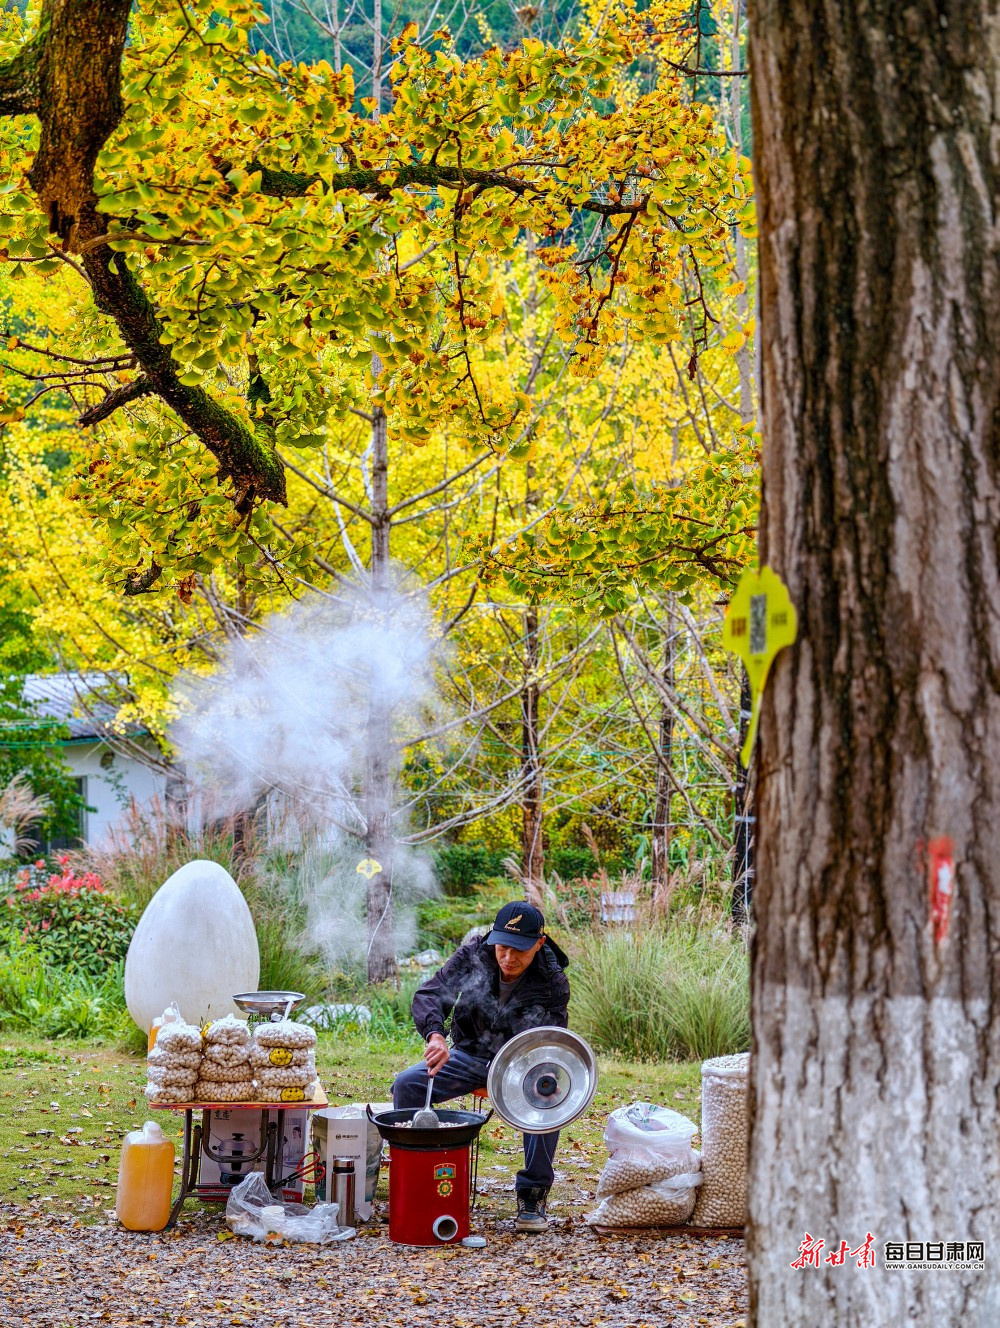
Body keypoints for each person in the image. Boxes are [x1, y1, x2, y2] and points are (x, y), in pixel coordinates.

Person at [392, 900, 570, 1234]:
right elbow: (431, 994)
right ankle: (412, 1175)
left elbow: (551, 1042)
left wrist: (540, 1076)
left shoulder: (552, 982)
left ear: (539, 943)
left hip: (522, 1067)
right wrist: (435, 1036)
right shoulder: (474, 953)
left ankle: (532, 1194)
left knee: (548, 1102)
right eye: (503, 947)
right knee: (407, 1084)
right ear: (494, 938)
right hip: (469, 1055)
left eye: (519, 950)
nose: (508, 958)